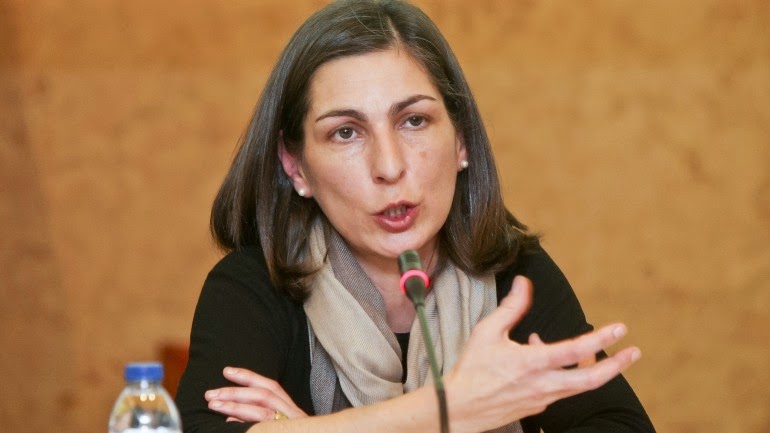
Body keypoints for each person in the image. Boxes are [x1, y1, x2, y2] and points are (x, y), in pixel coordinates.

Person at [175, 1, 656, 432]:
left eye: (414, 121)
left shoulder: (513, 276)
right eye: (346, 132)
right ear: (295, 165)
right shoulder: (254, 286)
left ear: (461, 140)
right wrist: (450, 412)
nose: (389, 166)